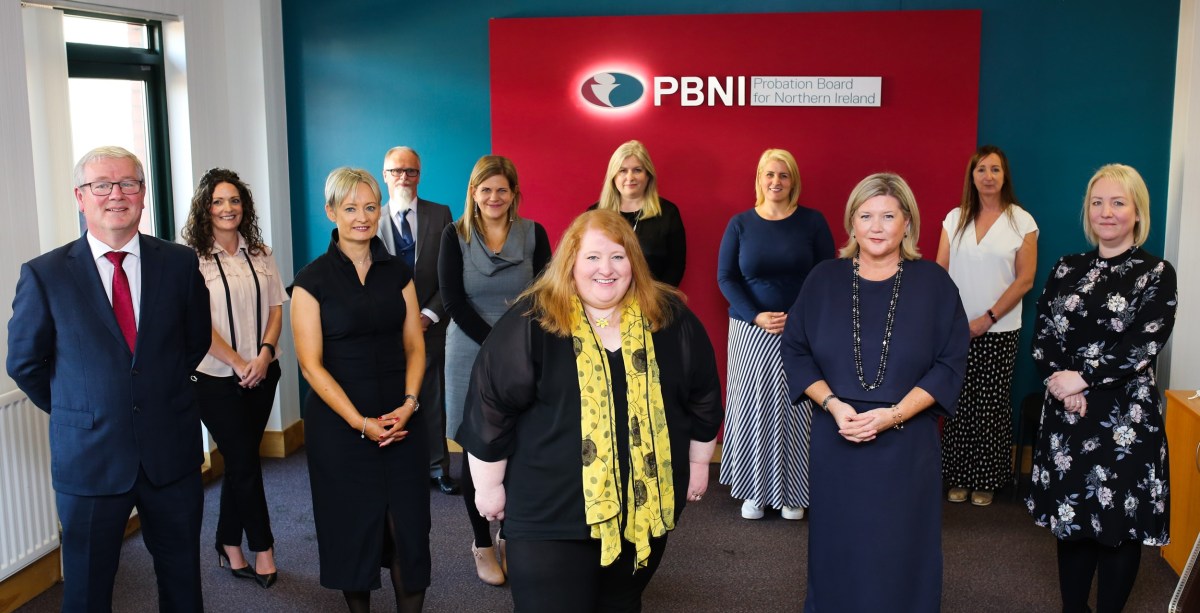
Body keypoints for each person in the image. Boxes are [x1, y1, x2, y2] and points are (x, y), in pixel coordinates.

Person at [459, 209, 723, 612]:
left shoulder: (669, 317)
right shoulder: (534, 320)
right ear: (571, 261)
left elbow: (703, 395)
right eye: (593, 257)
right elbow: (490, 406)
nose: (606, 269)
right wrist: (489, 486)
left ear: (634, 262)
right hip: (549, 515)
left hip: (640, 512)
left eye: (618, 257)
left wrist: (700, 463)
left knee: (621, 603)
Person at [7, 146, 211, 611]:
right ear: (81, 197)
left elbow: (194, 341)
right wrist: (82, 410)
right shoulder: (45, 275)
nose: (116, 194)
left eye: (128, 184)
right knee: (86, 591)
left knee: (182, 581)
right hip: (90, 459)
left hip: (170, 453)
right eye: (102, 185)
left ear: (143, 194)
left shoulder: (179, 263)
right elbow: (24, 363)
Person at [782, 172, 969, 612]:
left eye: (888, 216)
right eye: (865, 216)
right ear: (852, 223)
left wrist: (894, 414)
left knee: (901, 546)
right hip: (837, 434)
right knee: (838, 545)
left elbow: (950, 361)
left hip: (907, 440)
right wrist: (833, 404)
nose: (876, 226)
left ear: (908, 223)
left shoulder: (935, 284)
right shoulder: (823, 279)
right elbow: (796, 349)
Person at [1027, 164, 1176, 613]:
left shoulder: (1156, 273)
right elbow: (1043, 335)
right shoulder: (1065, 267)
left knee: (1119, 527)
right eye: (1097, 202)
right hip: (1068, 415)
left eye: (1117, 202)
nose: (1106, 212)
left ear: (1137, 212)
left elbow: (1143, 343)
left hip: (1126, 421)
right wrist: (1063, 384)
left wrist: (1083, 377)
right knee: (1072, 522)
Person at [291, 167, 430, 612]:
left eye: (370, 207)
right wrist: (360, 423)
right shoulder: (311, 281)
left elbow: (415, 347)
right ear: (331, 212)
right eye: (350, 208)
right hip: (341, 427)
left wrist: (410, 404)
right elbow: (310, 366)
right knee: (353, 530)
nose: (362, 217)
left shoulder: (398, 273)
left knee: (408, 529)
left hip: (401, 418)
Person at [438, 154, 550, 585]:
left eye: (502, 189)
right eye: (485, 189)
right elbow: (452, 301)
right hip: (469, 352)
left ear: (514, 193)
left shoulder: (534, 233)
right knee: (476, 451)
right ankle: (481, 542)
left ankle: (511, 534)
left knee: (520, 448)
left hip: (524, 350)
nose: (494, 197)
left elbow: (546, 293)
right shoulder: (455, 235)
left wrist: (516, 346)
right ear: (473, 192)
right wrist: (496, 345)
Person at [181, 168, 286, 588]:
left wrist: (263, 355)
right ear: (205, 209)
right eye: (218, 201)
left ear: (245, 206)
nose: (228, 208)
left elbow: (276, 308)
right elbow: (196, 325)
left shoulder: (260, 253)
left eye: (235, 200)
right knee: (244, 461)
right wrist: (238, 362)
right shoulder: (190, 260)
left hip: (263, 373)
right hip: (214, 378)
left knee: (241, 460)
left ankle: (227, 541)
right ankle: (263, 549)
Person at [716, 148, 834, 520]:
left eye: (783, 175)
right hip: (750, 332)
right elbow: (726, 278)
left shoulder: (812, 222)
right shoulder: (740, 224)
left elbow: (826, 276)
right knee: (753, 409)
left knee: (797, 411)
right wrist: (756, 316)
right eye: (769, 174)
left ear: (793, 180)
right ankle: (754, 490)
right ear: (759, 179)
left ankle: (793, 494)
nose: (776, 181)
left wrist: (796, 316)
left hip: (801, 330)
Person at [936, 145, 1039, 507]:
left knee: (991, 406)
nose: (988, 176)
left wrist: (988, 318)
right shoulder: (955, 218)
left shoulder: (1021, 221)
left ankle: (987, 479)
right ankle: (959, 476)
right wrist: (953, 321)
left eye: (995, 169)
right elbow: (940, 272)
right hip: (956, 330)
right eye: (981, 169)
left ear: (1004, 175)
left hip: (1000, 329)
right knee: (959, 402)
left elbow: (1025, 279)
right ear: (972, 176)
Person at [377, 146, 458, 496]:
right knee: (389, 397)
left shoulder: (441, 215)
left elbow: (450, 273)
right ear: (385, 175)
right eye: (397, 171)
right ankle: (397, 469)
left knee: (433, 397)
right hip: (385, 329)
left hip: (431, 325)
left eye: (410, 171)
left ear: (419, 175)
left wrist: (428, 315)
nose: (404, 177)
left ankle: (438, 467)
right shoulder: (371, 218)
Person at [587, 140, 687, 286]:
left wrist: (658, 296)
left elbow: (676, 266)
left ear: (648, 175)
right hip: (603, 295)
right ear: (613, 176)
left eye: (637, 170)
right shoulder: (594, 214)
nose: (630, 177)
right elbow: (586, 262)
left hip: (653, 297)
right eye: (622, 171)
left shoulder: (668, 213)